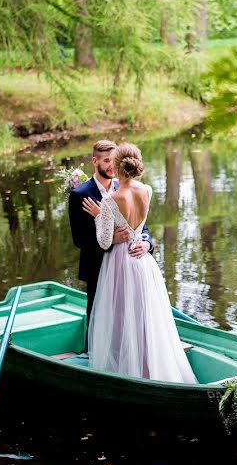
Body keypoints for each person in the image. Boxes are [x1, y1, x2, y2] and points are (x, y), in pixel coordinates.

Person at [81, 143, 198, 384]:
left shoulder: (111, 200)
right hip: (142, 260)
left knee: (122, 316)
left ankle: (126, 372)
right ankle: (149, 367)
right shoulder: (147, 190)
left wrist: (98, 216)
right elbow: (138, 226)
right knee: (145, 316)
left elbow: (104, 242)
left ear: (116, 165)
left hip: (120, 262)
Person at [68, 140, 153, 350]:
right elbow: (79, 239)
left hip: (130, 262)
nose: (111, 166)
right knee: (99, 316)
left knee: (131, 314)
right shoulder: (80, 194)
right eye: (106, 161)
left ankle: (127, 354)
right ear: (95, 161)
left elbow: (143, 228)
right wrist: (112, 238)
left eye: (113, 160)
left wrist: (147, 244)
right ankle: (93, 354)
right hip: (97, 266)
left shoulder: (125, 186)